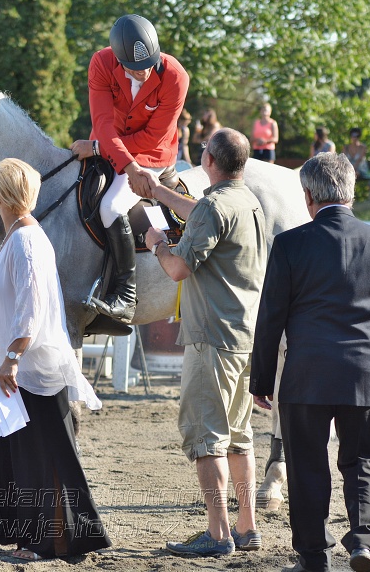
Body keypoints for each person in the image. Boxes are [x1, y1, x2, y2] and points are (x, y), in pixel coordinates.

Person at [250, 152, 370, 572]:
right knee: (364, 461)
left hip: (306, 375)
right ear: (352, 192)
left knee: (305, 465)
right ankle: (362, 543)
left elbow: (270, 319)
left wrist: (262, 378)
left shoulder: (289, 244)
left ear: (308, 195)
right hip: (365, 374)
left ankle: (314, 556)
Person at [0, 158, 111, 562]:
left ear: (4, 193)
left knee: (39, 456)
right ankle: (10, 520)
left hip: (28, 365)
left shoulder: (27, 240)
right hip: (6, 362)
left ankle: (47, 542)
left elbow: (32, 303)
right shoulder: (14, 236)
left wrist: (12, 355)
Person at [139, 129, 266, 557]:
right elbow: (204, 212)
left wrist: (157, 245)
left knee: (205, 439)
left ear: (209, 159)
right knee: (239, 438)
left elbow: (177, 269)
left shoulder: (214, 206)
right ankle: (247, 527)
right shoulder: (247, 201)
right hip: (244, 337)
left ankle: (218, 533)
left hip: (210, 338)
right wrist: (159, 192)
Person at [69, 14, 189, 324]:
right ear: (118, 59)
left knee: (110, 207)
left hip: (153, 155)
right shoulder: (101, 63)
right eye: (135, 68)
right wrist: (106, 149)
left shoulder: (175, 77)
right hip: (111, 148)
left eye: (149, 64)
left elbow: (153, 136)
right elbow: (104, 125)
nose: (144, 73)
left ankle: (126, 294)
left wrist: (102, 150)